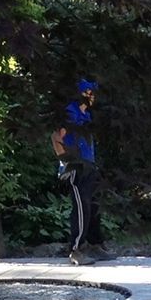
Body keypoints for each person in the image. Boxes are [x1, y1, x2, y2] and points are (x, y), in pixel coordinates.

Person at [52, 78, 105, 264]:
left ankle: (94, 245)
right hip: (76, 168)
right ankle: (76, 249)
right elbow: (56, 137)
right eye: (90, 93)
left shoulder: (87, 115)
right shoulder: (70, 113)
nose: (93, 97)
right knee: (81, 207)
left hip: (89, 165)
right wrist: (66, 161)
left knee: (93, 204)